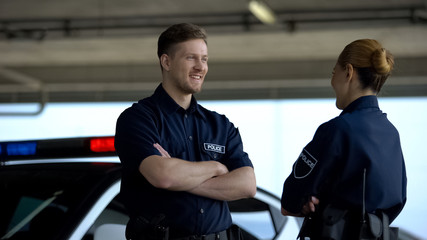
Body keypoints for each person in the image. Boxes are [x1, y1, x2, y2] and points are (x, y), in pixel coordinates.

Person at [115, 23, 256, 240]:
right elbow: (163, 176)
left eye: (205, 58)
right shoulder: (138, 119)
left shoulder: (221, 125)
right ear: (166, 61)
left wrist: (181, 179)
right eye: (191, 57)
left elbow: (247, 185)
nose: (201, 66)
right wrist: (217, 167)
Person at [280, 39, 407, 239]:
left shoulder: (337, 130)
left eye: (333, 73)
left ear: (348, 72)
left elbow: (289, 202)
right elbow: (397, 201)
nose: (332, 81)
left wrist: (313, 202)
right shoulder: (392, 134)